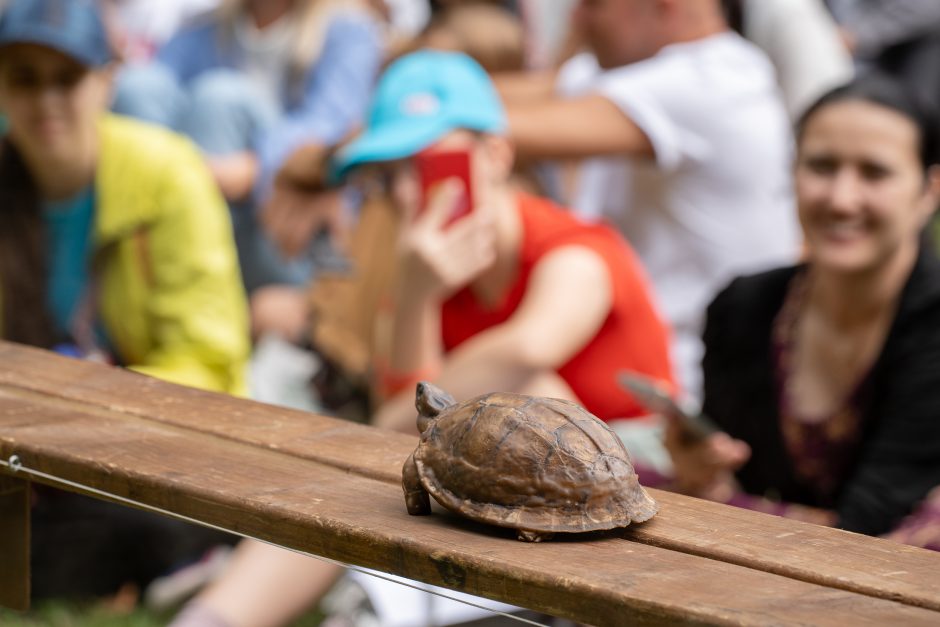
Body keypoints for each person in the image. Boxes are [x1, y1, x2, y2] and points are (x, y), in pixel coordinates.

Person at [170, 49, 676, 627]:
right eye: (389, 178)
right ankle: (218, 616)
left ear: (496, 155)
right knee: (397, 466)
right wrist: (415, 296)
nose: (410, 196)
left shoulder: (575, 251)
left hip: (630, 489)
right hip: (507, 495)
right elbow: (407, 424)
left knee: (522, 387)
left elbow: (519, 355)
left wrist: (406, 403)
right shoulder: (430, 273)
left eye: (429, 167)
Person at [0, 0, 250, 601]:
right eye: (24, 79)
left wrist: (75, 412)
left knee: (136, 523)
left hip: (151, 441)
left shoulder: (167, 172)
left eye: (68, 77)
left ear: (108, 80)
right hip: (27, 447)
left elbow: (209, 362)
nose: (46, 100)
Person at [665, 74, 940, 546]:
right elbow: (729, 481)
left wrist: (721, 504)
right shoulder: (742, 306)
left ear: (929, 191)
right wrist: (701, 472)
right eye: (821, 166)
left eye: (874, 173)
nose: (841, 198)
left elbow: (864, 534)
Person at [497, 0, 801, 404]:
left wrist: (413, 94)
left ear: (666, 7)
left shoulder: (708, 82)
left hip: (679, 395)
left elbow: (490, 128)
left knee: (504, 377)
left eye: (595, 5)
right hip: (625, 368)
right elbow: (500, 96)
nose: (576, 19)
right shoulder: (631, 64)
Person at [113, 0, 382, 299]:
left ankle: (190, 296)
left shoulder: (348, 31)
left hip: (285, 235)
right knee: (136, 88)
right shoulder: (201, 29)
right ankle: (134, 283)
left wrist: (254, 167)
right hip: (185, 200)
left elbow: (332, 134)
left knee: (221, 99)